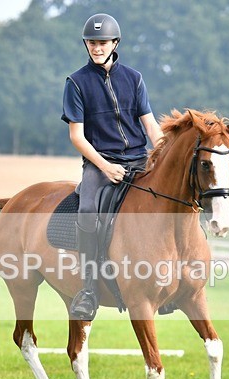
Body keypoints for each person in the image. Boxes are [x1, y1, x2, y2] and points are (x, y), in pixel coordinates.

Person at [62, 13, 163, 321]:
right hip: (99, 164)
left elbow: (150, 126)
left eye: (103, 42)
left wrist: (163, 153)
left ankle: (176, 281)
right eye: (92, 43)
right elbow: (76, 137)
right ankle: (89, 289)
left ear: (115, 43)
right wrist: (105, 167)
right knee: (88, 209)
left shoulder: (134, 78)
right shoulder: (76, 83)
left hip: (137, 159)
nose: (97, 48)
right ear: (86, 44)